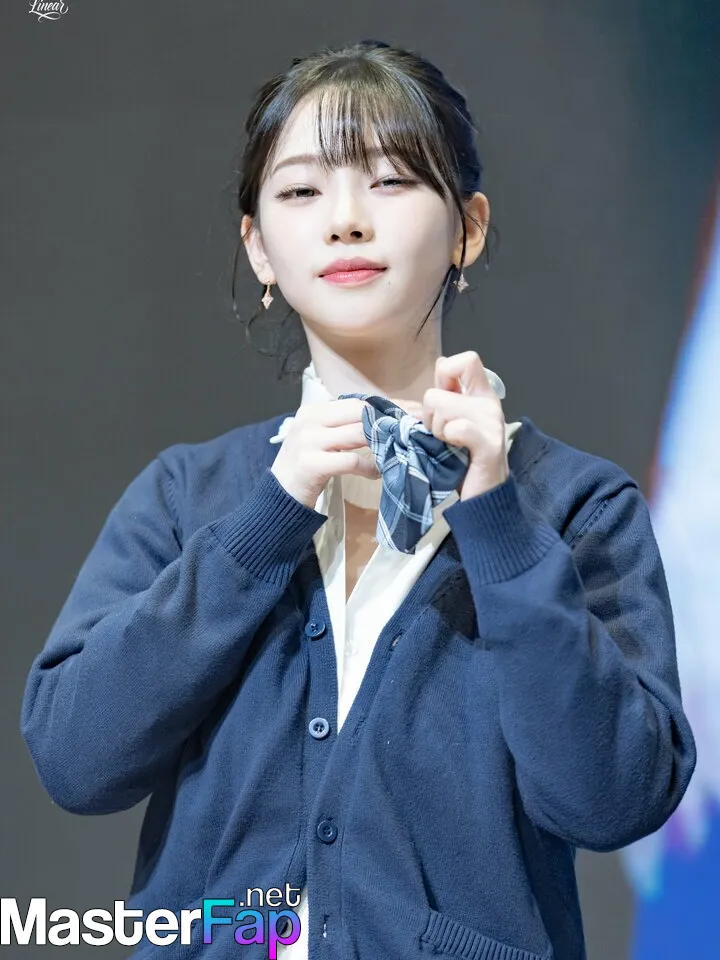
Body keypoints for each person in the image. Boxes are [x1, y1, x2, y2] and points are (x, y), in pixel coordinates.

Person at [21, 39, 695, 960]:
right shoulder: (189, 494)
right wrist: (269, 519)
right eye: (302, 191)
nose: (345, 221)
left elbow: (614, 799)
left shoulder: (573, 506)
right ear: (259, 247)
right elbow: (76, 758)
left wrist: (497, 523)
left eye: (390, 182)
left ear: (468, 229)